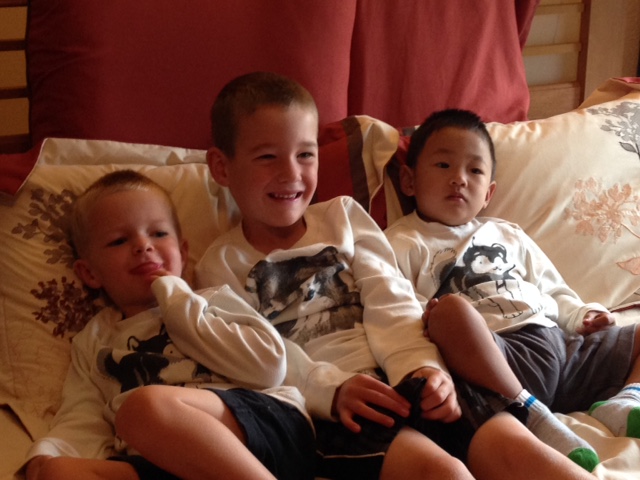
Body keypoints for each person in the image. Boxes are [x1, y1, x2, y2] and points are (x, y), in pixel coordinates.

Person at [194, 71, 597, 480]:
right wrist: (330, 390)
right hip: (338, 405)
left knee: (517, 449)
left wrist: (425, 368)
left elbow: (392, 297)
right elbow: (254, 356)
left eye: (305, 155)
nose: (291, 173)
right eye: (267, 157)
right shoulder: (218, 265)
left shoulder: (343, 216)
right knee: (443, 472)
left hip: (409, 375)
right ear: (221, 167)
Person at [385, 108, 640, 473]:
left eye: (475, 171)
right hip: (493, 360)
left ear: (489, 193)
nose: (459, 179)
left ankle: (625, 402)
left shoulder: (507, 233)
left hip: (560, 348)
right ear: (409, 181)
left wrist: (584, 315)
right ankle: (530, 412)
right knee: (448, 310)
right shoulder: (400, 242)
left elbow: (553, 287)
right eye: (443, 165)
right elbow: (398, 315)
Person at [23, 170, 316, 480]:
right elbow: (83, 415)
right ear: (89, 273)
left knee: (140, 410)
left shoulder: (211, 300)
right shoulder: (93, 339)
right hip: (171, 461)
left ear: (183, 253)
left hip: (264, 424)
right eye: (119, 241)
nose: (143, 246)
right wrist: (48, 453)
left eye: (159, 234)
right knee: (58, 471)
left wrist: (178, 301)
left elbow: (269, 366)